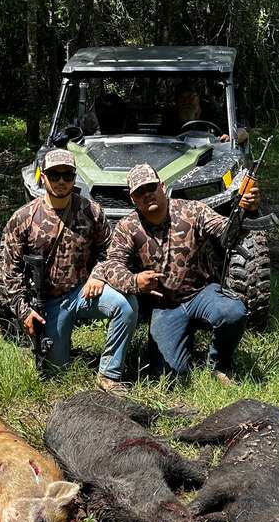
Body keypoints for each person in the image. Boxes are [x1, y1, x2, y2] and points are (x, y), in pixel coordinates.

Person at [96, 163, 262, 384]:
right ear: (132, 199)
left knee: (233, 312)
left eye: (151, 187)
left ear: (162, 187)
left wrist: (246, 211)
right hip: (165, 306)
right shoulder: (127, 227)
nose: (148, 195)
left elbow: (227, 233)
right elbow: (112, 265)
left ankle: (219, 365)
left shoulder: (192, 210)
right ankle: (181, 341)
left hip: (202, 292)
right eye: (140, 192)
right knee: (167, 377)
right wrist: (135, 281)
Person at [0, 149, 138, 393]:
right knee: (55, 377)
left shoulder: (91, 211)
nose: (61, 181)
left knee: (125, 305)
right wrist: (24, 312)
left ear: (75, 178)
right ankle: (60, 350)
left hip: (82, 293)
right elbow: (10, 273)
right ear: (43, 176)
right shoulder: (23, 218)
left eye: (67, 175)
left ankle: (109, 375)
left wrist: (98, 275)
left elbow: (110, 252)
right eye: (54, 175)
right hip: (48, 303)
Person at [160, 83, 247, 143]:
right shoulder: (170, 118)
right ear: (177, 101)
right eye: (182, 98)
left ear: (198, 98)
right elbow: (161, 139)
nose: (186, 101)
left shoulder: (212, 113)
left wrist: (230, 138)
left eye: (191, 97)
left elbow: (242, 131)